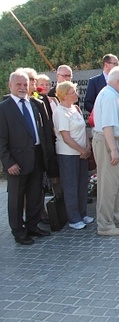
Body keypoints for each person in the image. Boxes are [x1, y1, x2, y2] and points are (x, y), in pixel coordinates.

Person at [0, 70, 56, 245]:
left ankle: (33, 225)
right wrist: (8, 162)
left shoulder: (34, 103)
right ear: (10, 86)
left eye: (25, 84)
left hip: (37, 158)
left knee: (35, 195)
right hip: (16, 162)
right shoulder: (3, 108)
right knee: (16, 199)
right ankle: (18, 231)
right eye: (18, 84)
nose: (23, 88)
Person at [91, 66, 119, 236]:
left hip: (116, 142)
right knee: (108, 186)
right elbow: (107, 125)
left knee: (117, 183)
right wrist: (113, 149)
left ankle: (116, 217)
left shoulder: (113, 95)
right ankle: (105, 225)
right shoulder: (109, 96)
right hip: (110, 143)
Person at [53, 81, 94, 230]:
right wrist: (81, 150)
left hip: (82, 153)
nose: (76, 94)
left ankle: (82, 213)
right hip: (68, 154)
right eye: (73, 92)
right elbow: (66, 137)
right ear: (63, 95)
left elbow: (83, 129)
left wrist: (87, 146)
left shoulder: (75, 108)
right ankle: (73, 218)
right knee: (71, 186)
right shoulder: (60, 112)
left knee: (82, 184)